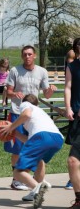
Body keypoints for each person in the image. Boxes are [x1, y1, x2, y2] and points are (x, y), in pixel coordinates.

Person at [5, 45, 57, 191]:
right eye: (24, 54)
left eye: (29, 54)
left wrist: (50, 90)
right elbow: (7, 92)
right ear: (22, 56)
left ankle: (36, 179)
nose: (27, 57)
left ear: (34, 55)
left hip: (33, 116)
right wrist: (14, 94)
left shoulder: (42, 71)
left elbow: (46, 94)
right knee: (17, 148)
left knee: (34, 147)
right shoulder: (15, 71)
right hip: (17, 112)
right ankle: (16, 180)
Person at [0, 94, 64, 209]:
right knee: (40, 161)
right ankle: (34, 192)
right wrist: (15, 133)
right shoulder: (40, 112)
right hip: (57, 139)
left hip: (41, 137)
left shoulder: (25, 104)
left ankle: (37, 188)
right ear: (37, 104)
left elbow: (26, 114)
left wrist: (11, 127)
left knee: (18, 172)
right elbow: (29, 140)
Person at [64, 37, 80, 208]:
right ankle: (79, 198)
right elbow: (68, 87)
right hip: (77, 117)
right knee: (73, 161)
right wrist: (68, 107)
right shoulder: (73, 66)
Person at [65, 48, 76, 190]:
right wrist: (68, 108)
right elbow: (68, 88)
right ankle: (72, 179)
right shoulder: (71, 69)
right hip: (75, 112)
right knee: (75, 146)